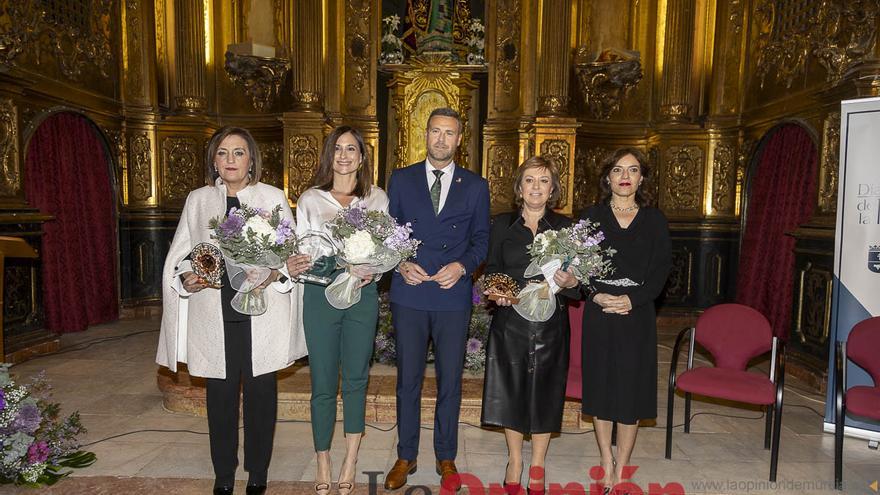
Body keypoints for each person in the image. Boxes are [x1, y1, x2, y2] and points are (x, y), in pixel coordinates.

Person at [157, 126, 312, 495]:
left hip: (262, 312)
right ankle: (224, 475)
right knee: (221, 399)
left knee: (261, 396)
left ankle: (258, 473)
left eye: (238, 153)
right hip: (214, 313)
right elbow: (180, 256)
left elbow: (291, 257)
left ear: (251, 159)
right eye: (223, 153)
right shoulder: (198, 201)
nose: (230, 160)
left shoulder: (272, 197)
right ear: (214, 159)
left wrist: (275, 271)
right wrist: (187, 278)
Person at [384, 107, 490, 491]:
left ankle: (446, 456)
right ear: (424, 135)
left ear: (460, 139)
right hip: (410, 292)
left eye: (449, 133)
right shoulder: (401, 179)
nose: (441, 139)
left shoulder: (476, 186)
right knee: (408, 380)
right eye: (435, 131)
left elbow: (481, 241)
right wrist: (400, 263)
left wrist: (463, 266)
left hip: (451, 295)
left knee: (450, 381)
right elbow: (387, 233)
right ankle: (405, 456)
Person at [295, 126, 389, 495]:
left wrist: (373, 269)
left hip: (362, 296)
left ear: (362, 157)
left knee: (355, 378)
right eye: (338, 148)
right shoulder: (309, 200)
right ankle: (323, 458)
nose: (345, 155)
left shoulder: (377, 199)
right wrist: (336, 266)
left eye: (352, 149)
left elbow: (387, 249)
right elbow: (304, 253)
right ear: (328, 155)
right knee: (321, 381)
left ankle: (350, 457)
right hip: (319, 297)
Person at [480, 156, 579, 495]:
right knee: (511, 389)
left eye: (544, 181)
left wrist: (569, 280)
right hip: (511, 321)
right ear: (519, 187)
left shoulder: (565, 227)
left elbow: (580, 284)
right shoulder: (502, 224)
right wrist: (500, 294)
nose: (536, 187)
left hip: (552, 322)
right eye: (530, 180)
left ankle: (536, 464)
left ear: (553, 189)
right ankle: (514, 460)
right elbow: (493, 268)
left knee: (546, 391)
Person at [579, 147, 671, 491]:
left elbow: (662, 271)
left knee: (630, 393)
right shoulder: (590, 217)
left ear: (641, 178)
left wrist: (632, 299)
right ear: (608, 177)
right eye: (618, 170)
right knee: (602, 390)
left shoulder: (655, 220)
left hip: (637, 315)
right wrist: (597, 294)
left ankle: (623, 466)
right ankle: (605, 458)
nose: (625, 177)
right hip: (600, 313)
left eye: (632, 170)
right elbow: (578, 265)